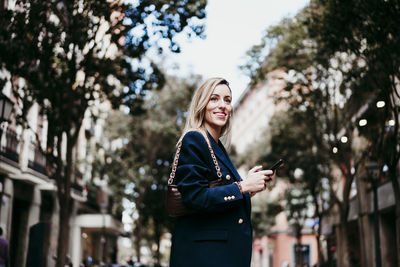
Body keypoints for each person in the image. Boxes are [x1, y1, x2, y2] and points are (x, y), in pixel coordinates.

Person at [169, 78, 275, 267]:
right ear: (202, 104)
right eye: (214, 99)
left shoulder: (216, 146)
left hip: (221, 255)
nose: (223, 105)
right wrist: (242, 186)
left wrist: (250, 187)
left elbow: (219, 199)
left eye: (227, 100)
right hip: (205, 257)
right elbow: (194, 197)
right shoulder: (195, 139)